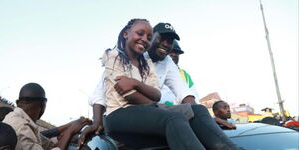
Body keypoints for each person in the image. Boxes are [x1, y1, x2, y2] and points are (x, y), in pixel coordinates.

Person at [79, 20, 242, 150]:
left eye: (170, 41)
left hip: (151, 111)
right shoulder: (123, 55)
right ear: (152, 37)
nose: (165, 43)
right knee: (174, 118)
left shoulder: (163, 62)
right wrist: (96, 122)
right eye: (161, 38)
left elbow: (181, 91)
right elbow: (101, 93)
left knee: (197, 110)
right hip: (123, 115)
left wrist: (197, 119)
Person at [3, 83, 91, 150]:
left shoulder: (16, 119)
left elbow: (46, 144)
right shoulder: (21, 127)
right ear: (42, 105)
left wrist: (68, 128)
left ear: (18, 102)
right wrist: (70, 132)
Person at [160, 40, 200, 105]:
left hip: (183, 110)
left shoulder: (185, 74)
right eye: (171, 52)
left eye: (177, 52)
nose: (174, 54)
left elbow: (194, 95)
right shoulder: (155, 68)